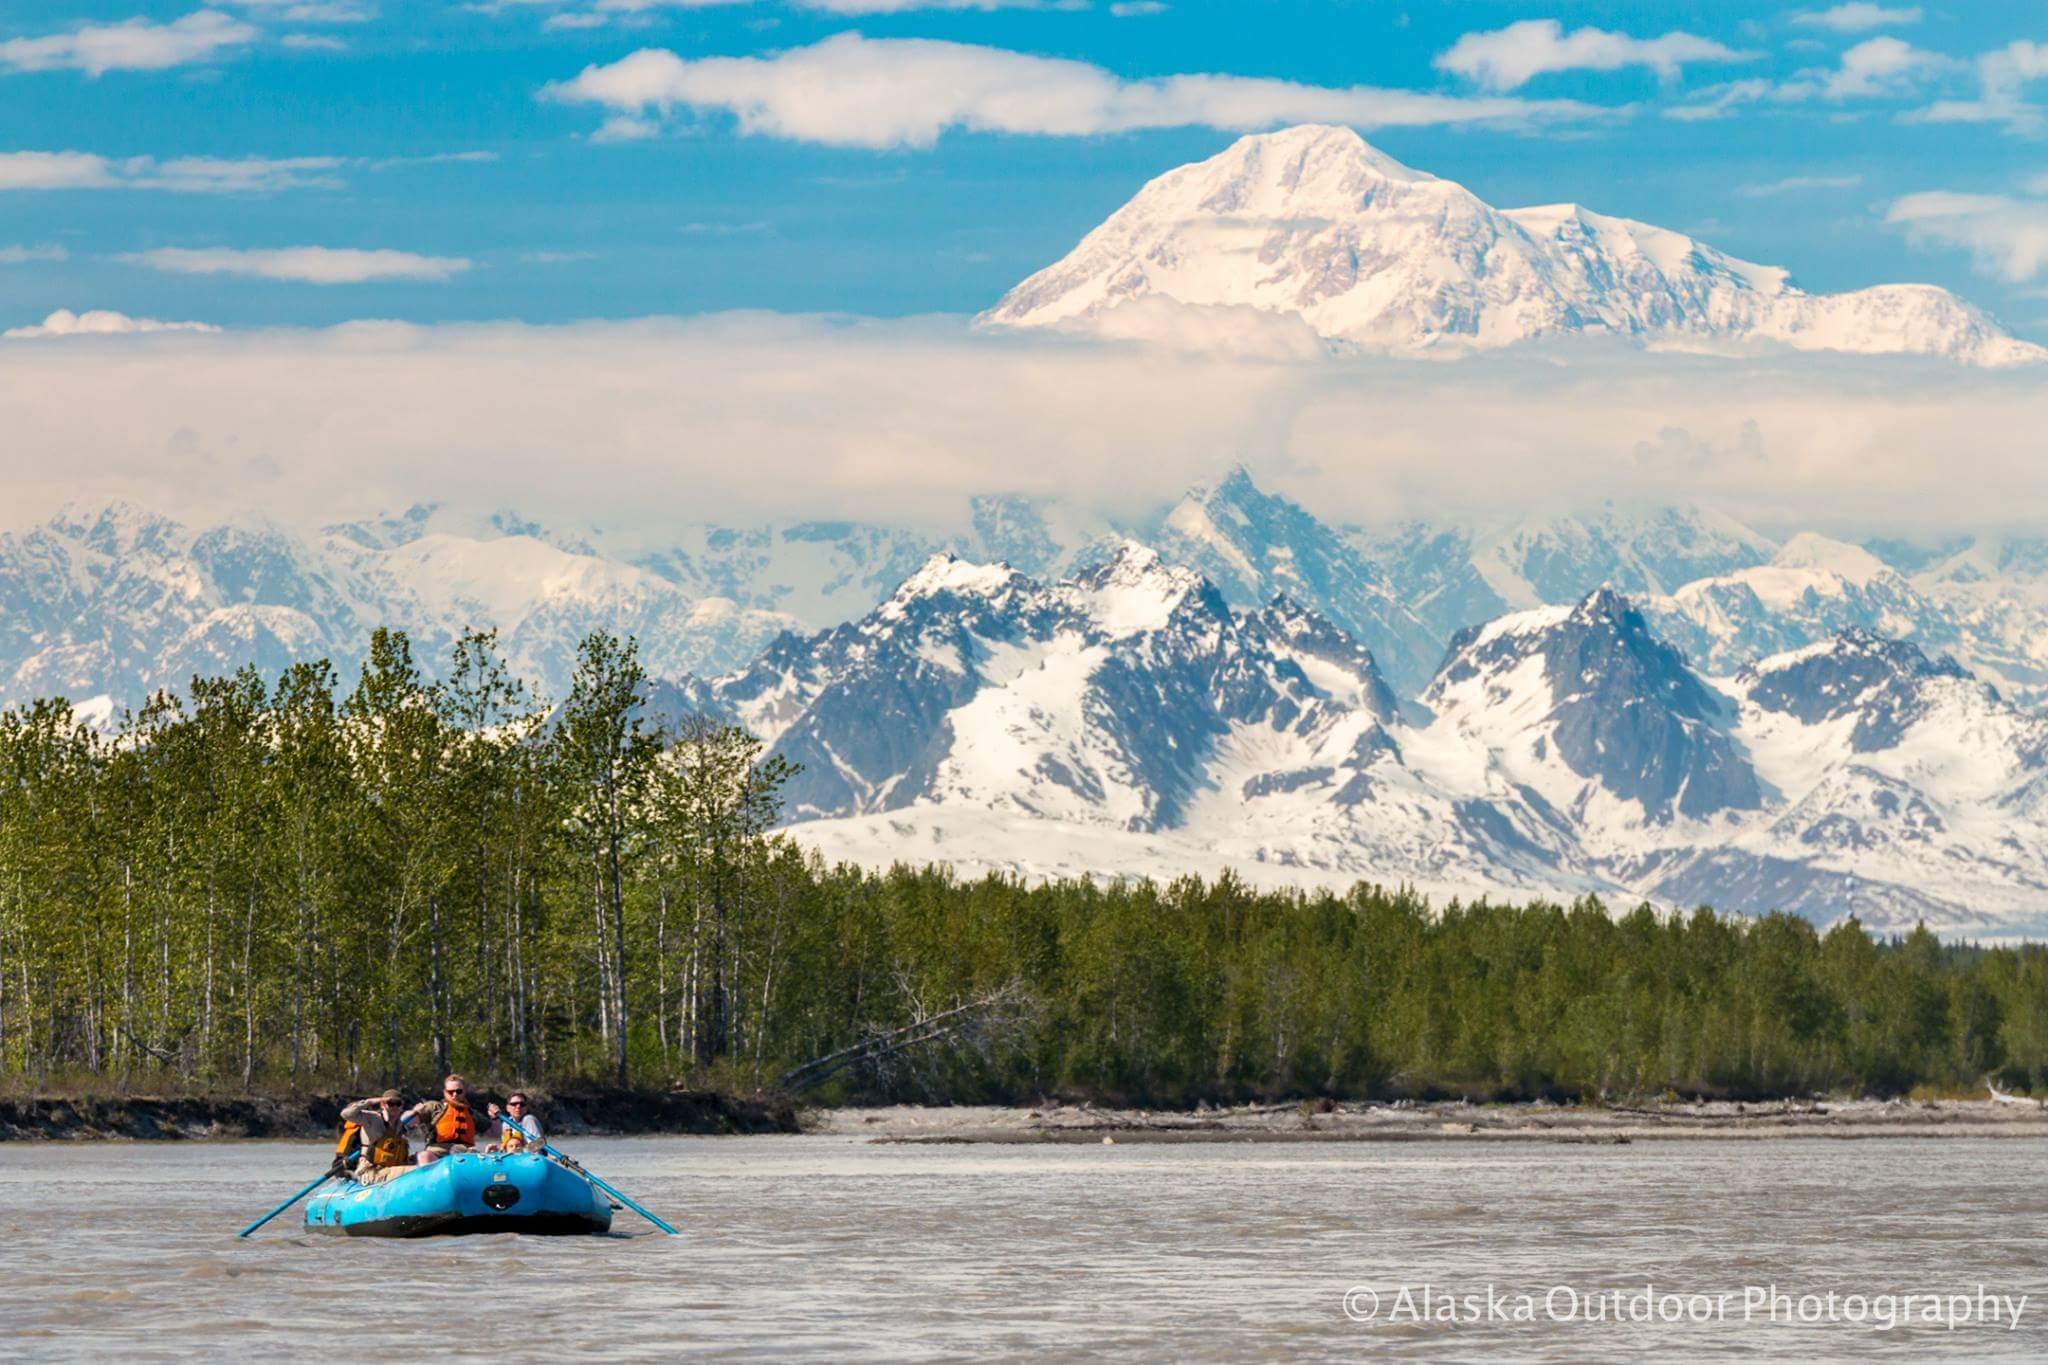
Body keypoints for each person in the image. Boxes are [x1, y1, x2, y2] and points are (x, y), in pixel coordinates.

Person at [337, 1089, 413, 1185]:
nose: (395, 1107)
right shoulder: (372, 1118)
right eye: (390, 1103)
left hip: (393, 1169)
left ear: (402, 1106)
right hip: (372, 1171)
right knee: (415, 1171)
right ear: (383, 1105)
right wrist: (370, 1101)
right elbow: (346, 1114)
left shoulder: (401, 1125)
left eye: (398, 1103)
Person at [402, 1073, 480, 1165]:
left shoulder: (472, 1113)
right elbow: (407, 1121)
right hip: (438, 1151)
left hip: (465, 1151)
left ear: (464, 1091)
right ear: (445, 1092)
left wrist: (495, 1117)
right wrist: (414, 1112)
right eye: (451, 1092)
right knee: (424, 1156)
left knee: (481, 1155)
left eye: (459, 1091)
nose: (455, 1094)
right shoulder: (434, 1107)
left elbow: (492, 1131)